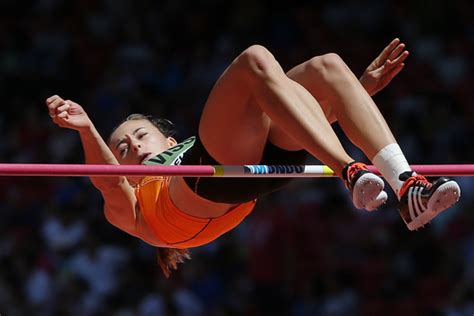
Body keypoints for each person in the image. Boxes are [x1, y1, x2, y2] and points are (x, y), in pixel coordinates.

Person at [46, 38, 461, 277]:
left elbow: (295, 123)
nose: (134, 147)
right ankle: (349, 170)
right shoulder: (132, 206)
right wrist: (87, 129)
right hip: (206, 186)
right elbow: (108, 180)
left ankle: (408, 186)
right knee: (254, 60)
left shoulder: (204, 145)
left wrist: (354, 92)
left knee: (329, 69)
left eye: (139, 136)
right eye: (123, 150)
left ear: (168, 137)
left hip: (251, 170)